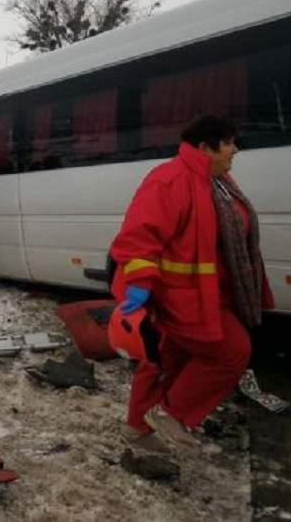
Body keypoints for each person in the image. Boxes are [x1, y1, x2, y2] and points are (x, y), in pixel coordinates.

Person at [109, 115, 273, 450]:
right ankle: (172, 415)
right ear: (205, 146)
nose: (235, 150)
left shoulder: (218, 181)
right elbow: (138, 238)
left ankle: (138, 428)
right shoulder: (170, 180)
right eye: (228, 142)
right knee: (232, 352)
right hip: (181, 298)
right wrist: (140, 283)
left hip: (212, 295)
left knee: (165, 361)